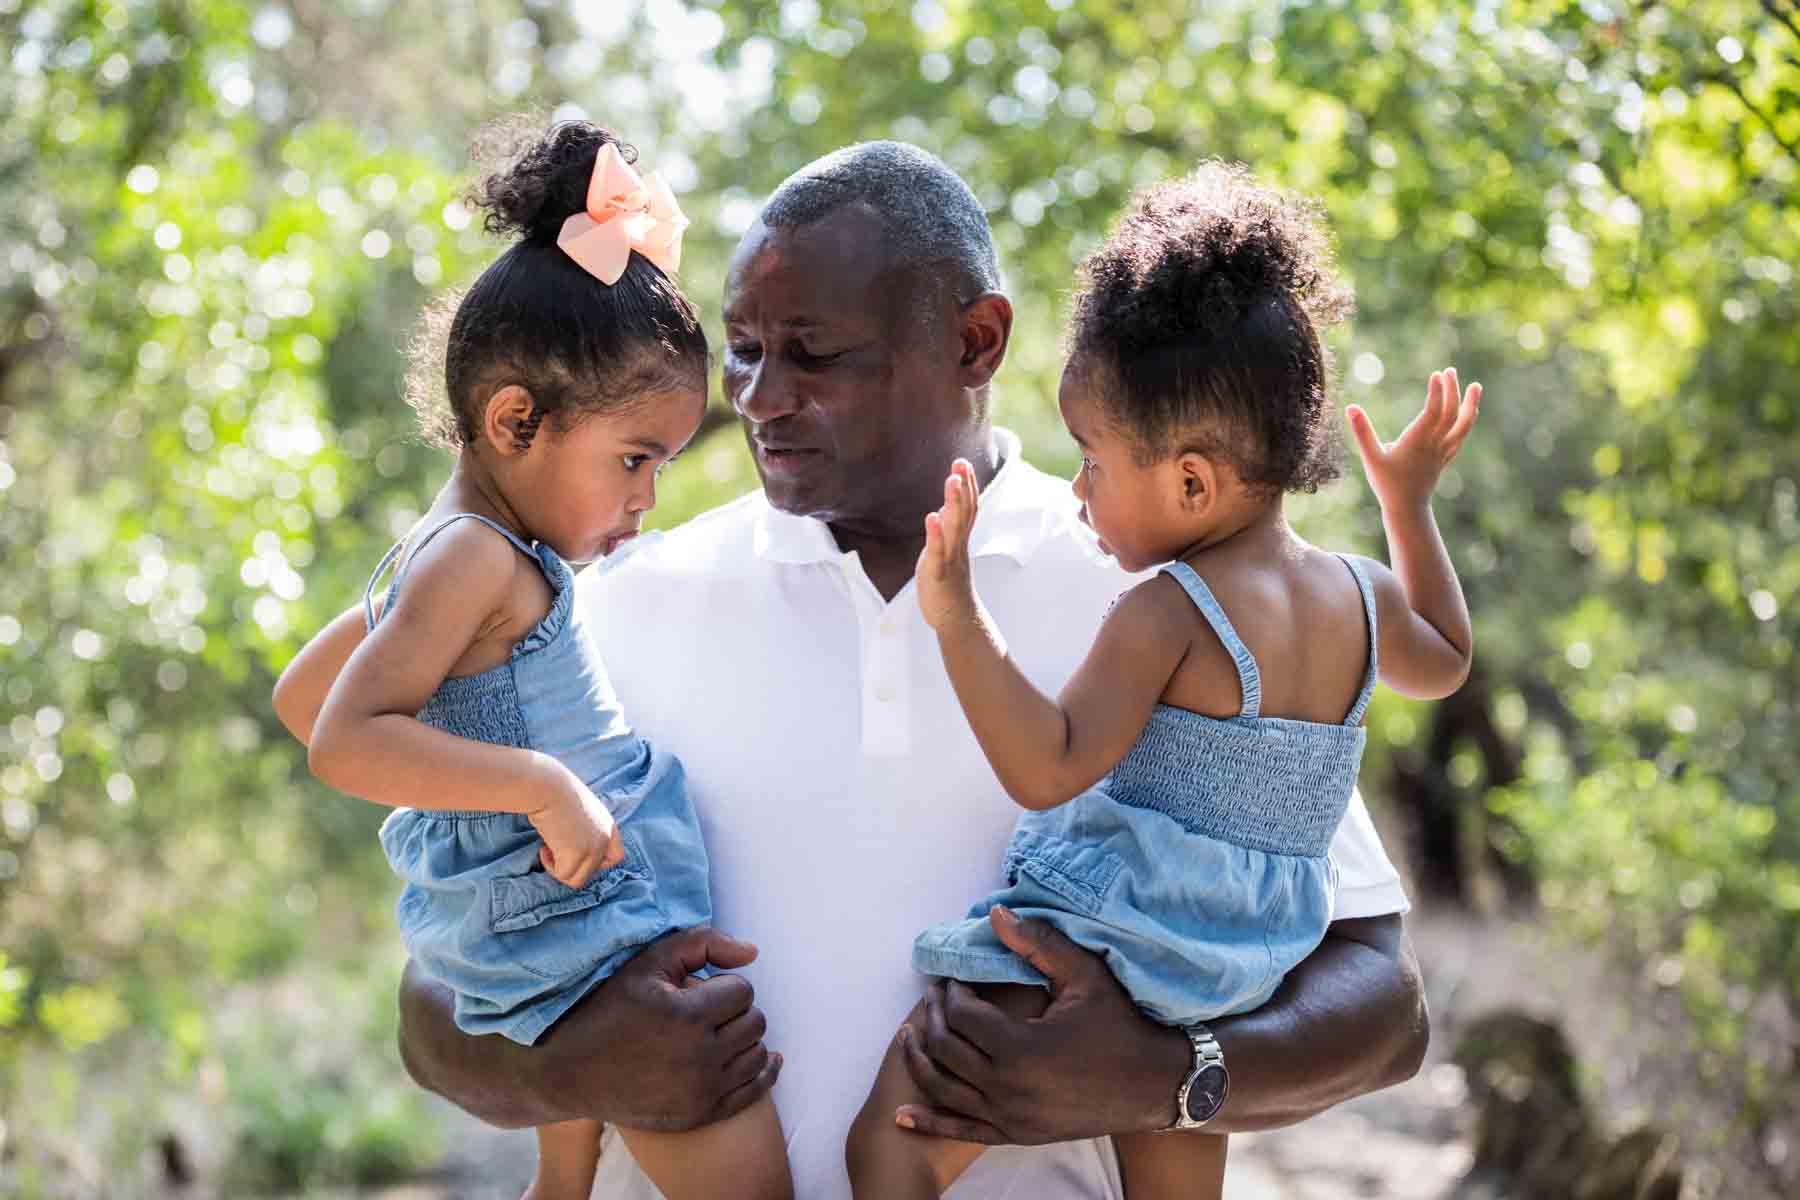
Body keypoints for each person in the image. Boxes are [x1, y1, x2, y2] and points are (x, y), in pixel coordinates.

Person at [379, 141, 1428, 1199]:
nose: (755, 396)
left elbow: (1384, 1006)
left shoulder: (1175, 602)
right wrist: (571, 1061)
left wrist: (1165, 1076)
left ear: (976, 341)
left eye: (812, 353)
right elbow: (432, 1001)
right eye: (742, 349)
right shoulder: (605, 608)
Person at [846, 163, 1480, 1199]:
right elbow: (1449, 659)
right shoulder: (1359, 598)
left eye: (1095, 461)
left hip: (1115, 937)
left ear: (1191, 480)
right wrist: (1408, 505)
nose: (1080, 490)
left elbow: (1046, 766)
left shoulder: (1172, 612)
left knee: (890, 1146)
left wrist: (954, 612)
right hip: (1237, 972)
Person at [269, 120, 791, 1200]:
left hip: (548, 922)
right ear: (515, 420)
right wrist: (537, 788)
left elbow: (302, 694)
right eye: (634, 460)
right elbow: (340, 738)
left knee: (572, 1177)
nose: (647, 497)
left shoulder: (445, 550)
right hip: (574, 920)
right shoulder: (475, 558)